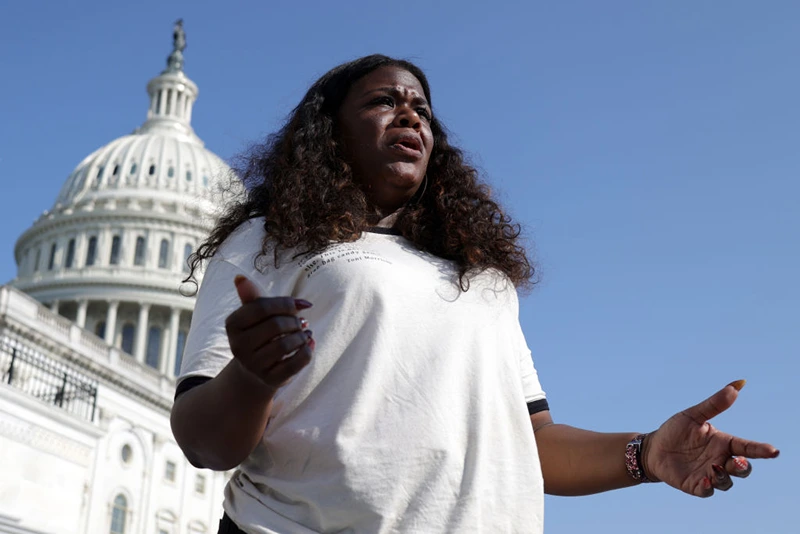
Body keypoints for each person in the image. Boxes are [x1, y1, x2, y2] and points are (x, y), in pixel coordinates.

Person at [171, 54, 779, 534]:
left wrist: (647, 455)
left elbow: (533, 445)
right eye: (384, 101)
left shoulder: (479, 276)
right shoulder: (272, 238)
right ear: (329, 134)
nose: (411, 116)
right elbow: (204, 442)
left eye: (422, 110)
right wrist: (252, 378)